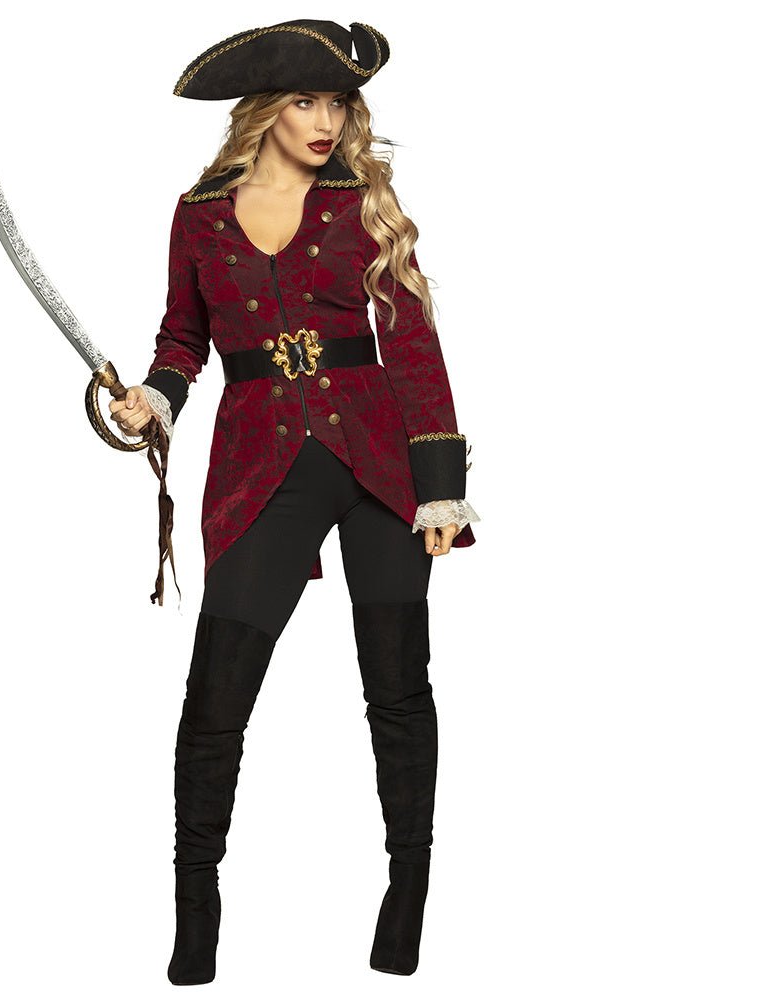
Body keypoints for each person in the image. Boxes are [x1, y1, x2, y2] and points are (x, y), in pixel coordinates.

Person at [108, 19, 481, 985]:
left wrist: (441, 489)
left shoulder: (362, 204)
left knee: (397, 688)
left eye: (339, 105)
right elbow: (182, 338)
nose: (326, 123)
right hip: (258, 464)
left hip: (380, 463)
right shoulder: (198, 214)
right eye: (306, 102)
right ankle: (196, 909)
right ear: (266, 110)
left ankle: (408, 894)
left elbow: (412, 341)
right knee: (216, 696)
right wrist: (154, 399)